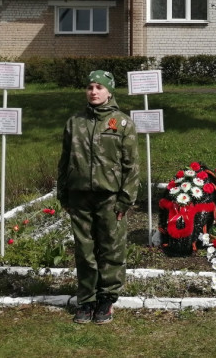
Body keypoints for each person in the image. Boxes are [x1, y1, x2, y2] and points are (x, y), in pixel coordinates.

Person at [57, 70, 140, 324]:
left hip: (110, 198)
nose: (94, 92)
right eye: (90, 87)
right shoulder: (75, 122)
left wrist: (125, 199)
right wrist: (64, 193)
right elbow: (64, 161)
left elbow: (131, 166)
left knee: (111, 248)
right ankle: (86, 299)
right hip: (79, 196)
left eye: (99, 87)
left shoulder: (122, 123)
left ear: (109, 91)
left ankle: (106, 299)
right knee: (84, 250)